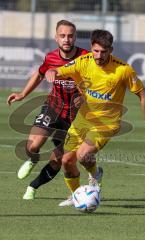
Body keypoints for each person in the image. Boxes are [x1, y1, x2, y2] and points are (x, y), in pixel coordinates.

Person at [46, 29, 145, 206]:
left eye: (103, 52)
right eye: (96, 51)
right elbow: (57, 70)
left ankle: (95, 174)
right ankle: (77, 196)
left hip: (106, 123)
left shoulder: (123, 70)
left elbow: (143, 94)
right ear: (91, 48)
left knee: (83, 155)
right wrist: (52, 72)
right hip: (82, 120)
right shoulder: (83, 62)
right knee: (66, 161)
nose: (99, 55)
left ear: (111, 50)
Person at [7, 20, 91, 200]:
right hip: (53, 107)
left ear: (75, 37)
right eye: (63, 36)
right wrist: (23, 94)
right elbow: (39, 74)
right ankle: (33, 159)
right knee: (33, 146)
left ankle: (32, 187)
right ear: (56, 38)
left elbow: (97, 84)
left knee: (57, 159)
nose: (66, 39)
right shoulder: (50, 57)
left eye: (70, 36)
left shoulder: (87, 59)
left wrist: (85, 97)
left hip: (76, 118)